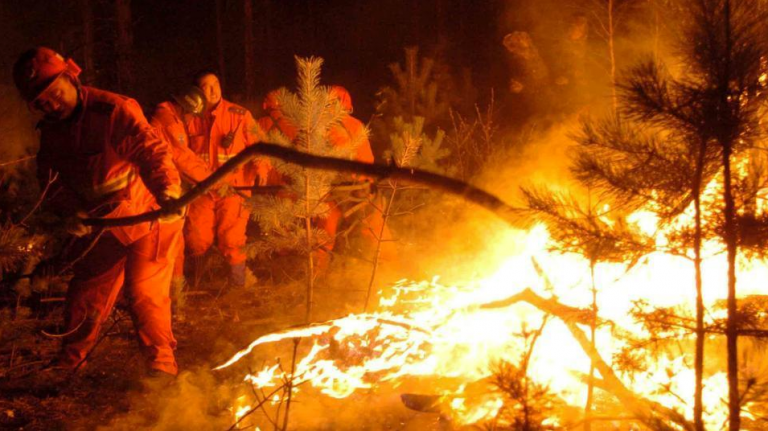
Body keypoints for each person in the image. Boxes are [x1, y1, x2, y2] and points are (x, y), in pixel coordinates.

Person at [12, 47, 183, 378]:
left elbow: (152, 151)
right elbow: (51, 181)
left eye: (55, 93)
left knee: (145, 293)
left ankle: (162, 365)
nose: (52, 104)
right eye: (42, 102)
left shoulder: (113, 110)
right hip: (104, 224)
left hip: (149, 215)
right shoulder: (52, 132)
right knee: (86, 292)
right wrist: (69, 214)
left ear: (72, 77)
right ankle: (70, 361)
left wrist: (168, 193)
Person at [184, 70, 266, 288]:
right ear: (197, 91)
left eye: (215, 84)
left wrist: (261, 167)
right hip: (200, 191)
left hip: (234, 190)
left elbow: (260, 145)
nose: (212, 90)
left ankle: (237, 288)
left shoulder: (239, 115)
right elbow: (180, 152)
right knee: (196, 239)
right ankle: (197, 286)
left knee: (232, 240)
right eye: (206, 86)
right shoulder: (190, 118)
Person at [150, 86, 212, 283]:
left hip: (164, 187)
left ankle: (176, 295)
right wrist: (214, 180)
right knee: (171, 244)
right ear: (184, 108)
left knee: (174, 243)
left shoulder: (168, 117)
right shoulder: (168, 121)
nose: (191, 120)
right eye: (192, 115)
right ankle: (174, 296)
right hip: (163, 190)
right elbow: (181, 156)